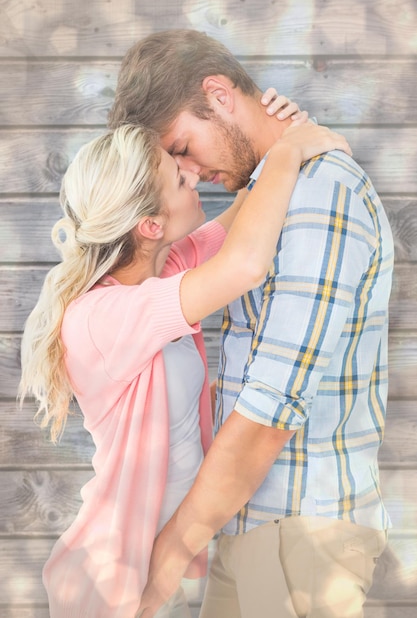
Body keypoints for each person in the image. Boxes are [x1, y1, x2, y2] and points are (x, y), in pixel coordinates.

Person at [18, 91, 347, 616]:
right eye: (178, 177)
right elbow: (244, 266)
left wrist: (282, 134)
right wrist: (289, 154)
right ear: (150, 225)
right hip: (108, 583)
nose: (193, 175)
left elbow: (244, 217)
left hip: (163, 569)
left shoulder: (165, 269)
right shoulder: (101, 318)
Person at [108, 29, 395, 618]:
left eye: (183, 147)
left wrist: (164, 564)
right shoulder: (272, 190)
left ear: (218, 93)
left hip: (301, 533)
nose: (186, 173)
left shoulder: (321, 193)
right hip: (249, 522)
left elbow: (272, 408)